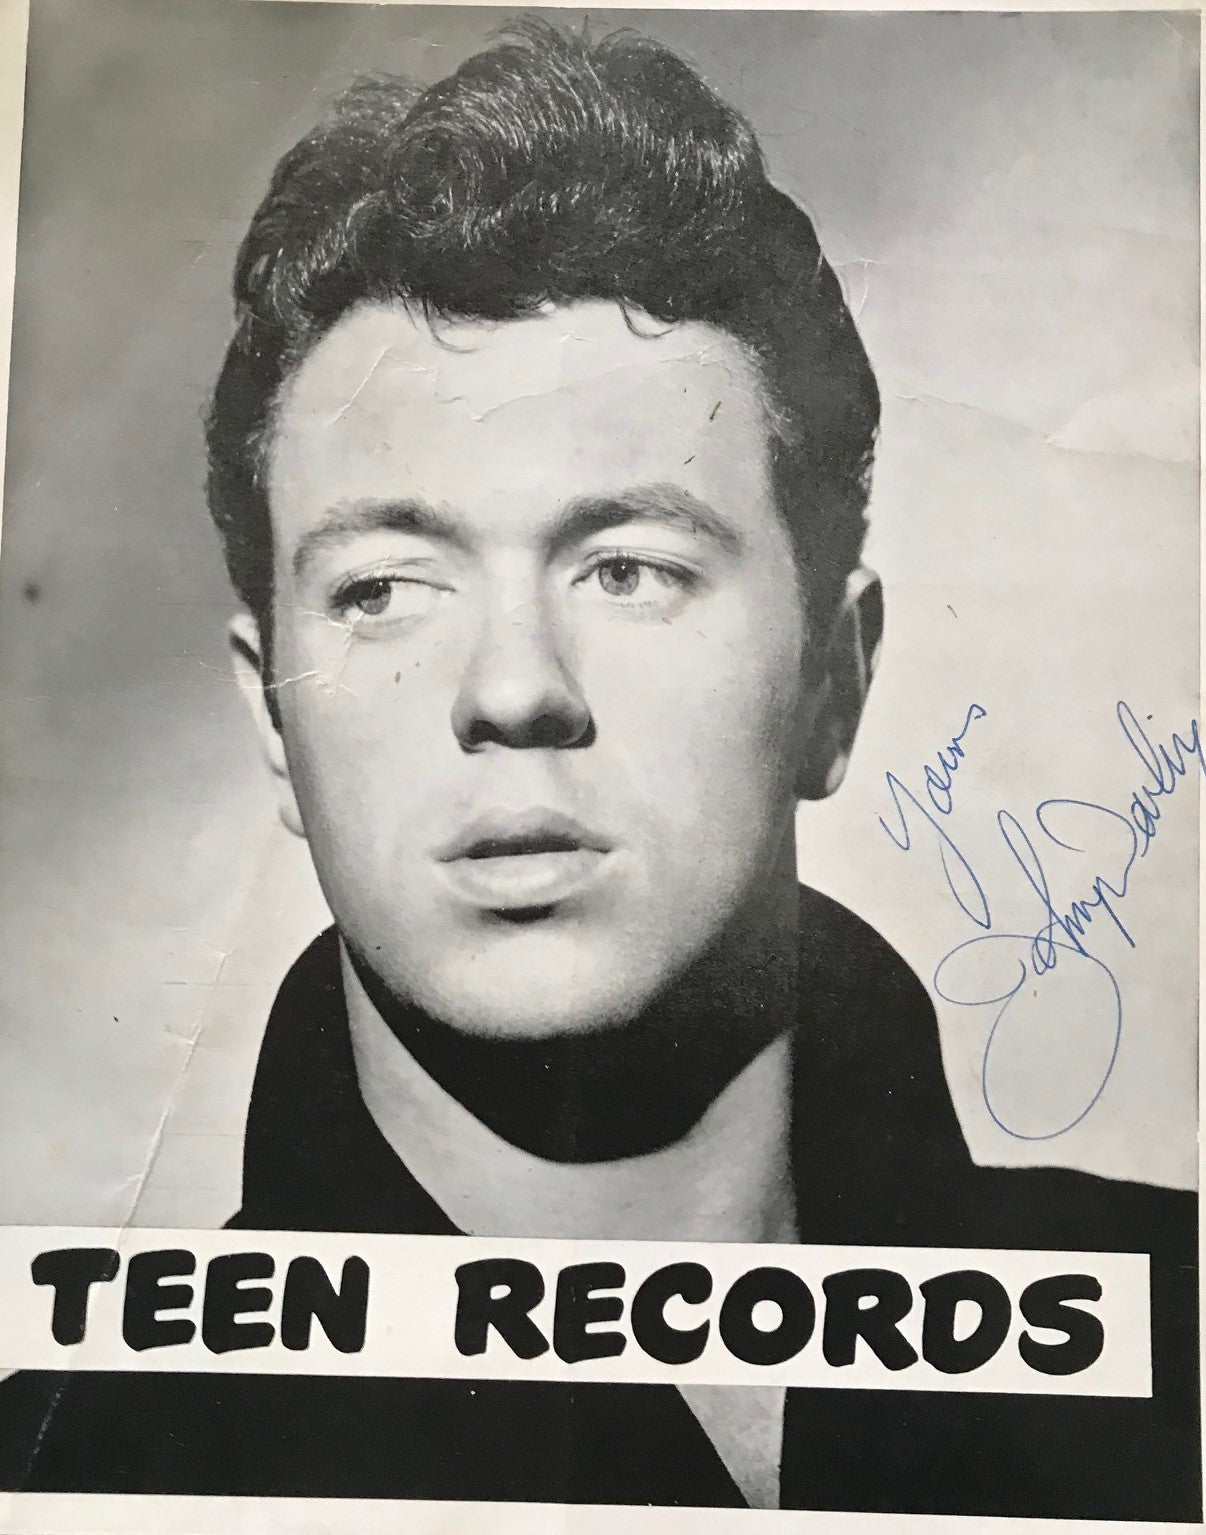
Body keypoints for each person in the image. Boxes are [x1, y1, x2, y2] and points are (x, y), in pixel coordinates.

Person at [0, 22, 1198, 1517]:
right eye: (383, 589)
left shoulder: (1172, 1348)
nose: (513, 690)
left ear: (833, 675)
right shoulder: (72, 1469)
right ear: (273, 725)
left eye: (629, 568)